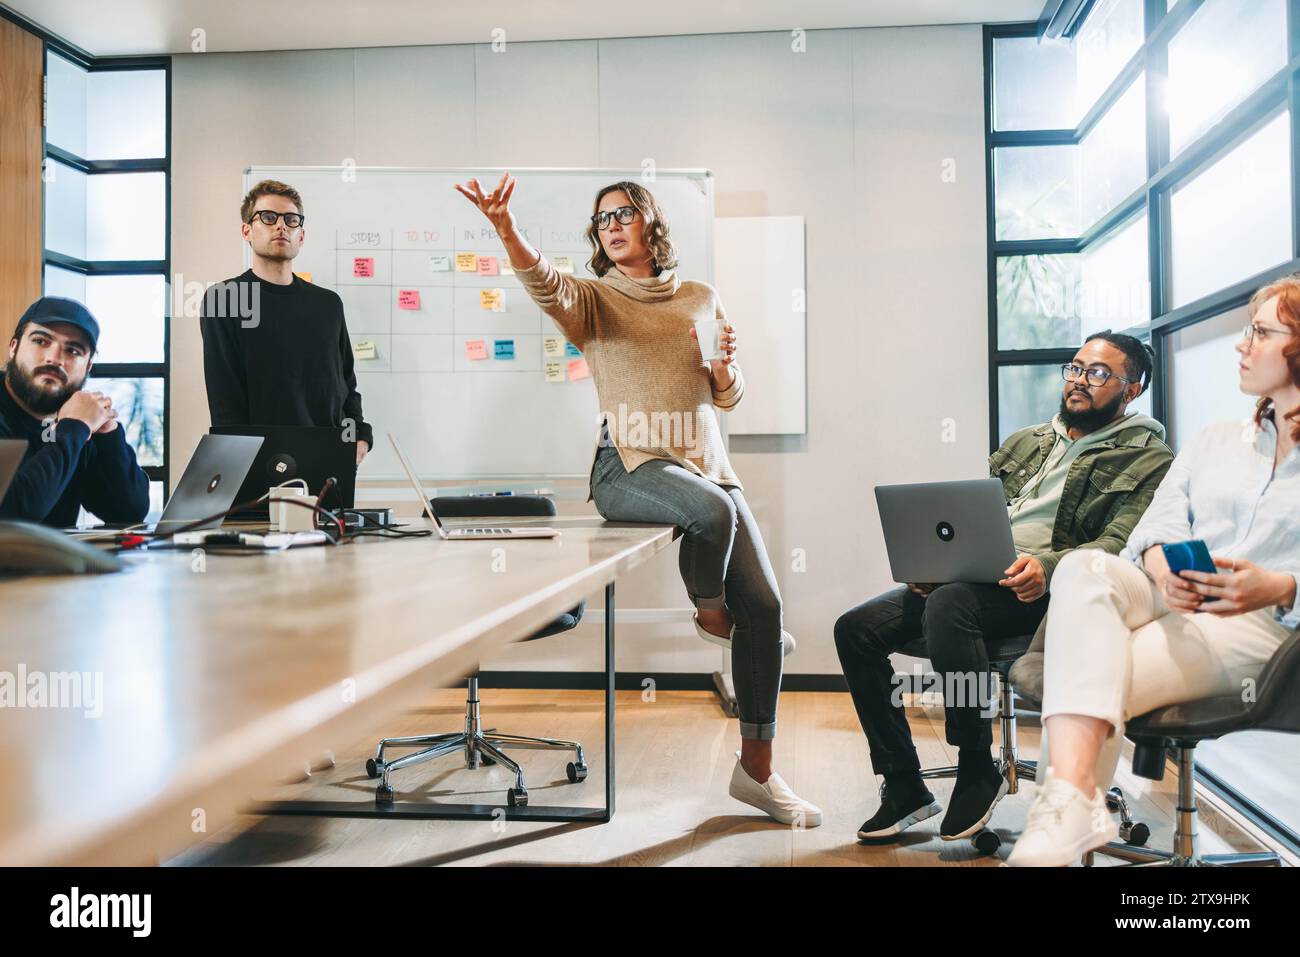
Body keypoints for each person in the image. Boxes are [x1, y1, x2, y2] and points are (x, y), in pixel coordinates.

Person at [453, 171, 820, 827]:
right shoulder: (595, 300)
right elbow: (545, 282)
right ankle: (711, 614)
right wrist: (506, 227)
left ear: (652, 223)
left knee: (765, 607)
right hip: (625, 466)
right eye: (602, 219)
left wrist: (725, 371)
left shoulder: (702, 297)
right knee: (715, 513)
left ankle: (757, 772)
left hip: (706, 462)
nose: (613, 223)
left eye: (625, 212)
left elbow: (727, 394)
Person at [835, 332, 1174, 843]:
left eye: (1099, 373)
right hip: (980, 581)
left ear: (1133, 388)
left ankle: (976, 764)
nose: (1080, 381)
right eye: (1076, 368)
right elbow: (976, 517)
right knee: (856, 628)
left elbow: (1119, 545)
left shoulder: (1150, 460)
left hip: (1055, 594)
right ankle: (903, 784)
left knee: (950, 605)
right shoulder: (1029, 440)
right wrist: (940, 561)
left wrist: (1047, 565)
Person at [1008, 278, 1300, 867]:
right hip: (1172, 594)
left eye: (1262, 333)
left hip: (1262, 621)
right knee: (1087, 566)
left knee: (1091, 662)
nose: (1242, 345)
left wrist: (1282, 585)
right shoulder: (1217, 440)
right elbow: (1151, 529)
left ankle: (1063, 813)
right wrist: (1164, 569)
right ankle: (1073, 809)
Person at [201, 179, 373, 466]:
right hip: (259, 467)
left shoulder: (328, 304)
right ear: (247, 231)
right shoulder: (225, 299)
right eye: (268, 218)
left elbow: (346, 385)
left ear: (301, 236)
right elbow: (225, 402)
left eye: (290, 220)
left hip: (329, 462)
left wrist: (360, 436)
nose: (281, 226)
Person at [0, 297, 149, 527]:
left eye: (73, 351)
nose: (55, 358)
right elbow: (13, 515)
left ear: (88, 367)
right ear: (14, 347)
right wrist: (74, 429)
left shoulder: (77, 416)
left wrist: (108, 436)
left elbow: (129, 511)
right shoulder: (75, 424)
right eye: (41, 341)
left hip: (56, 561)